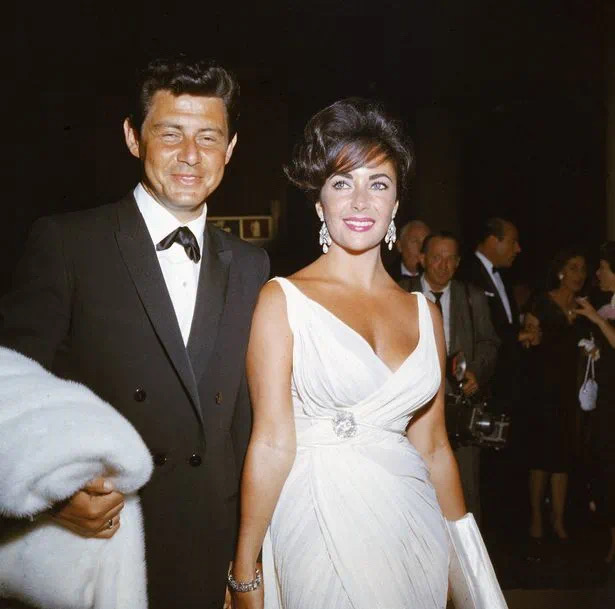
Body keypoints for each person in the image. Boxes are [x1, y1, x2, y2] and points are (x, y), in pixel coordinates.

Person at [0, 55, 269, 609]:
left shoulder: (251, 264)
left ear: (231, 149)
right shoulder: (67, 244)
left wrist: (248, 558)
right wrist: (52, 499)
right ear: (132, 137)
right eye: (170, 133)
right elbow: (9, 389)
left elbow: (248, 424)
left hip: (211, 548)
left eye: (209, 137)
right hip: (105, 546)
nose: (190, 155)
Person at [228, 99, 507, 609]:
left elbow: (433, 447)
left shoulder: (425, 313)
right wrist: (245, 566)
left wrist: (470, 572)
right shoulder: (283, 300)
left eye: (378, 184)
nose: (360, 202)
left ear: (396, 203)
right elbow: (270, 441)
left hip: (412, 525)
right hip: (317, 521)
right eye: (342, 183)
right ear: (320, 204)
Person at [399, 230, 500, 523]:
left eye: (450, 259)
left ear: (458, 262)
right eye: (436, 258)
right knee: (413, 487)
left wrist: (477, 372)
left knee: (464, 491)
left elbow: (489, 342)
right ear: (421, 259)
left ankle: (464, 549)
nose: (443, 266)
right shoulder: (401, 294)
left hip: (461, 412)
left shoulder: (472, 297)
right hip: (412, 411)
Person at [524, 248, 589, 543]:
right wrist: (531, 337)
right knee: (541, 456)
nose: (579, 274)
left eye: (583, 269)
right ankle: (536, 516)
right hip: (542, 389)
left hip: (571, 391)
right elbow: (528, 337)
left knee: (563, 456)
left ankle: (558, 519)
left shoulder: (585, 307)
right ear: (561, 271)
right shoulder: (542, 301)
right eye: (573, 268)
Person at [575, 241, 615, 562]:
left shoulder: (604, 312)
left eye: (603, 268)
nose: (598, 273)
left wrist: (598, 321)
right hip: (607, 401)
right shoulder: (607, 304)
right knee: (606, 466)